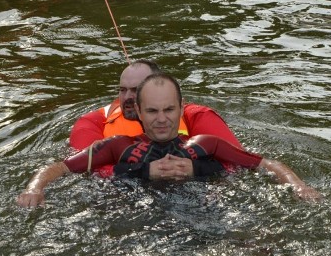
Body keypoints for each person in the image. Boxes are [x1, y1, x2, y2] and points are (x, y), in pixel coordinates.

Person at [18, 73, 322, 207]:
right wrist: (34, 189)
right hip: (140, 220)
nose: (161, 119)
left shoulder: (203, 145)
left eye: (168, 110)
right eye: (152, 111)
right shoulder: (117, 147)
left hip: (203, 209)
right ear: (137, 111)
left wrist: (297, 184)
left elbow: (265, 163)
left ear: (181, 109)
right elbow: (58, 167)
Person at [69, 59, 243, 179]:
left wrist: (195, 169)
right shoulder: (93, 122)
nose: (128, 97)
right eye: (123, 90)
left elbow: (239, 163)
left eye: (136, 90)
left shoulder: (197, 116)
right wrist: (142, 171)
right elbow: (81, 171)